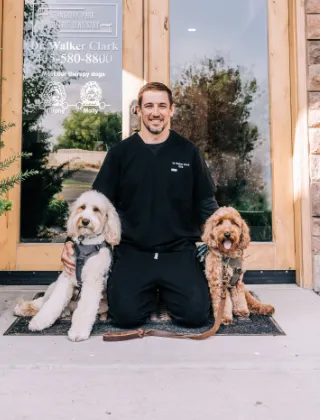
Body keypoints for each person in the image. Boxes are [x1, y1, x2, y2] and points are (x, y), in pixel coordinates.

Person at [61, 82, 219, 328]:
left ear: (172, 110)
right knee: (125, 317)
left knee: (195, 316)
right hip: (133, 251)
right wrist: (71, 242)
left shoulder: (188, 152)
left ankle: (165, 293)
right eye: (149, 106)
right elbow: (94, 203)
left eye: (162, 106)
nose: (155, 112)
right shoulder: (120, 153)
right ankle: (154, 294)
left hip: (178, 252)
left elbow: (207, 204)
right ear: (138, 110)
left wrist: (226, 236)